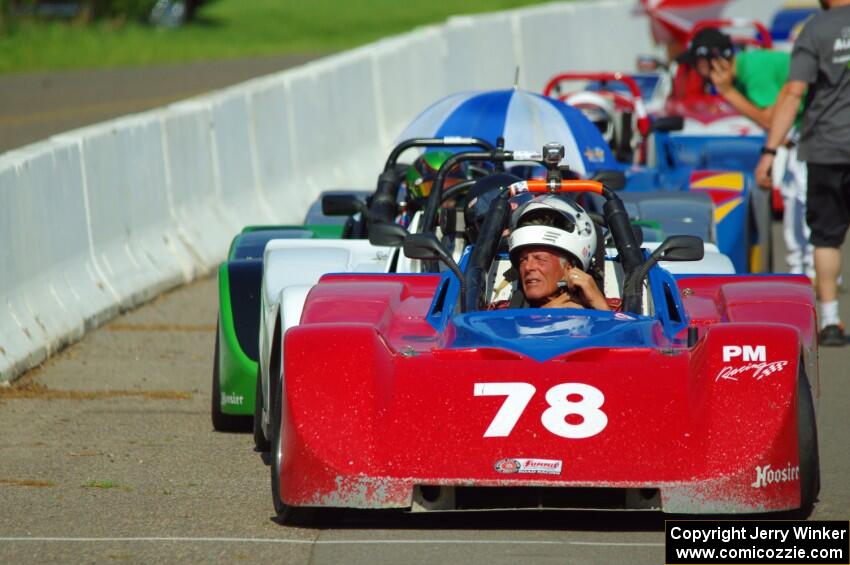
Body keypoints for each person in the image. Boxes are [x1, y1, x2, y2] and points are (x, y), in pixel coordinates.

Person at [755, 0, 850, 347]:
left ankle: (830, 321)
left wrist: (770, 150)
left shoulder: (815, 29)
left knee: (825, 238)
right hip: (828, 147)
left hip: (827, 148)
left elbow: (794, 92)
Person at [686, 26, 814, 277]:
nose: (697, 71)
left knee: (804, 199)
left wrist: (728, 93)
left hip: (815, 129)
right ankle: (802, 270)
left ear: (715, 59)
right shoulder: (748, 66)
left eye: (698, 63)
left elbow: (770, 119)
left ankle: (813, 272)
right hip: (801, 131)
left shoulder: (754, 70)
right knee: (793, 197)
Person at [506, 196, 610, 310]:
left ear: (569, 267)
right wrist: (542, 315)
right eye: (523, 260)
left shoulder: (614, 309)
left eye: (540, 259)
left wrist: (601, 307)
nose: (528, 267)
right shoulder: (501, 312)